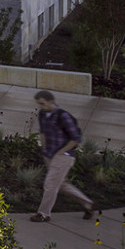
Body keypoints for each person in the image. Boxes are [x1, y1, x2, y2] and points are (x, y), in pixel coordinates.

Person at [28, 90, 99, 222]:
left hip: (64, 156)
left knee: (50, 184)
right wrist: (44, 149)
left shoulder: (63, 116)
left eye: (43, 104)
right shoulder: (43, 114)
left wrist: (61, 152)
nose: (41, 106)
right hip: (49, 154)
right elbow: (43, 132)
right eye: (39, 104)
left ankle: (43, 214)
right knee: (61, 184)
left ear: (52, 102)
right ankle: (87, 203)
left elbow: (76, 139)